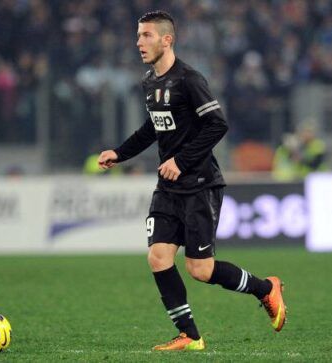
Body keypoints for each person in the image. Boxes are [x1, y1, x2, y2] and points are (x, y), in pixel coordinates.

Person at [98, 11, 286, 351]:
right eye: (138, 36)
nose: (139, 42)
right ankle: (190, 336)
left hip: (200, 185)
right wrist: (120, 153)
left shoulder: (189, 80)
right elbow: (153, 128)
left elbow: (218, 125)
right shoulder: (150, 82)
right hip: (168, 188)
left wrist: (181, 161)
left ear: (167, 40)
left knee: (200, 270)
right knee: (158, 257)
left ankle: (265, 288)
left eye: (146, 36)